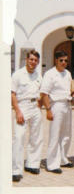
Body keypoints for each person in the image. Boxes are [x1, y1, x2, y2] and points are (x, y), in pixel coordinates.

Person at [11, 50, 43, 182]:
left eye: (35, 60)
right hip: (22, 106)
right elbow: (12, 94)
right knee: (19, 137)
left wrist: (39, 105)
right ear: (26, 59)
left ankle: (32, 164)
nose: (33, 62)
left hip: (35, 106)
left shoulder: (38, 75)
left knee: (36, 137)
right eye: (31, 59)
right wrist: (17, 111)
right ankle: (16, 170)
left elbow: (41, 91)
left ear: (38, 62)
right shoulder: (18, 74)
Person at [40, 50, 74, 174]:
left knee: (66, 134)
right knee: (55, 135)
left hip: (67, 104)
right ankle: (52, 164)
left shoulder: (68, 73)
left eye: (65, 60)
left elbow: (71, 87)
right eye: (61, 60)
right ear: (56, 60)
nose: (64, 63)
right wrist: (48, 110)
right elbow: (44, 93)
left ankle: (63, 159)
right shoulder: (50, 74)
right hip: (56, 105)